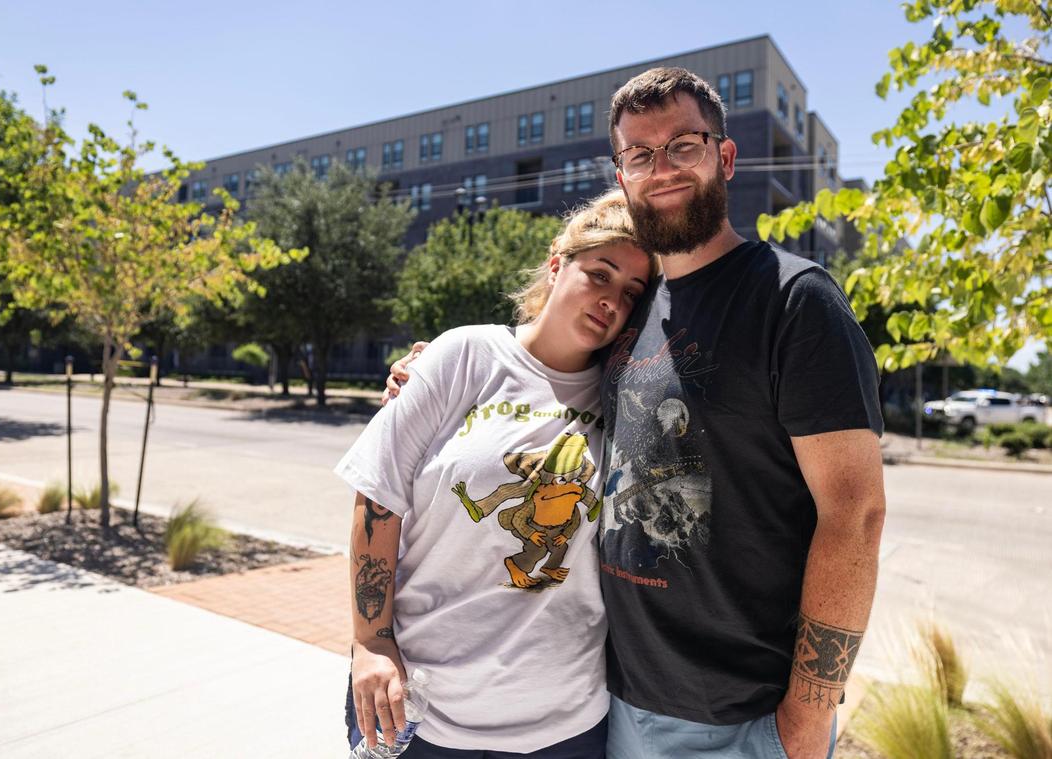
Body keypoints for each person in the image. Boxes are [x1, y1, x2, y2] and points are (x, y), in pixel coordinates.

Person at [386, 67, 886, 759]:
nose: (663, 169)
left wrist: (804, 719)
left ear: (725, 157)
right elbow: (539, 381)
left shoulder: (795, 299)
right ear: (622, 174)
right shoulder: (632, 314)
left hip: (742, 719)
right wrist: (428, 372)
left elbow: (856, 513)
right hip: (615, 701)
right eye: (640, 155)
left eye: (684, 145)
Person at [336, 190, 659, 758]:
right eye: (600, 274)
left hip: (564, 723)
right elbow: (378, 495)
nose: (611, 300)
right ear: (558, 263)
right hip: (421, 706)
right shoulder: (464, 355)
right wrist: (370, 640)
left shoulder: (628, 395)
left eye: (631, 292)